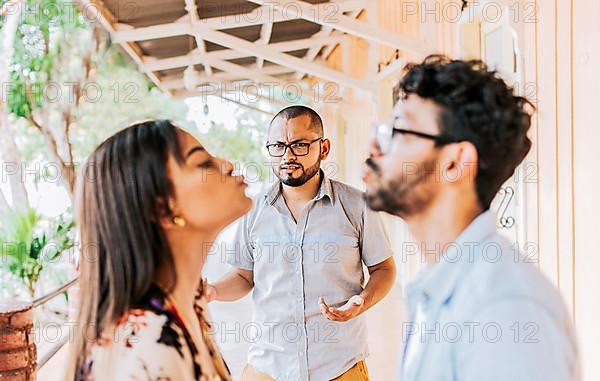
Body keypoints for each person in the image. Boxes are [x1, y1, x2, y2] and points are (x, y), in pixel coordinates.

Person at [362, 55, 579, 381]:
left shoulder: (505, 310)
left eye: (399, 130)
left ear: (455, 162)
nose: (374, 149)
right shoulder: (442, 288)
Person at [208, 106, 397, 381]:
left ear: (324, 148)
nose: (288, 155)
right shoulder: (253, 211)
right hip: (267, 367)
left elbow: (384, 269)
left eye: (299, 144)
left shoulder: (357, 206)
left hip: (339, 366)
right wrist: (211, 290)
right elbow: (242, 276)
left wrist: (362, 301)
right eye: (278, 146)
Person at [69, 120, 252, 381]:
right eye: (202, 162)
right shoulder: (148, 350)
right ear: (163, 209)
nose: (227, 164)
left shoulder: (193, 300)